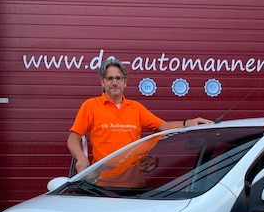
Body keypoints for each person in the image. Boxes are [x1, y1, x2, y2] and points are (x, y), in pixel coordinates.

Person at [67, 58, 212, 174]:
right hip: (102, 182)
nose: (114, 83)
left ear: (125, 82)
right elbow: (73, 139)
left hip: (134, 182)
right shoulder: (90, 106)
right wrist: (81, 158)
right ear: (102, 82)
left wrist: (188, 123)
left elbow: (163, 127)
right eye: (109, 78)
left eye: (118, 78)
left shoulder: (136, 108)